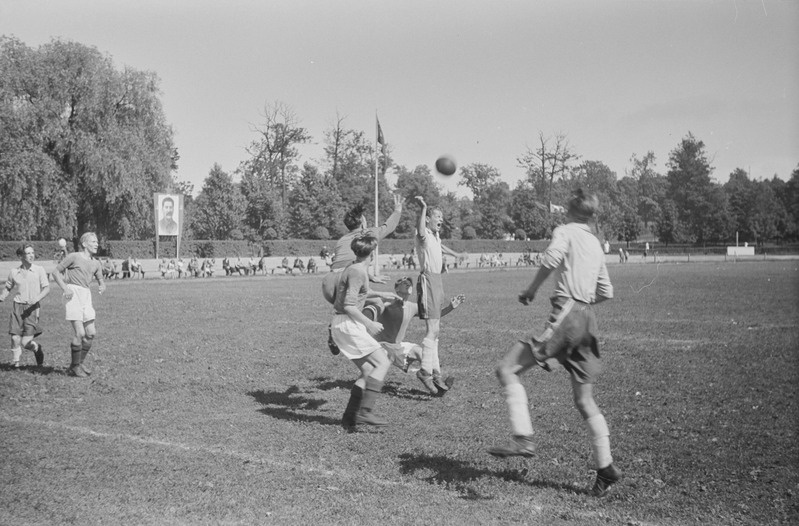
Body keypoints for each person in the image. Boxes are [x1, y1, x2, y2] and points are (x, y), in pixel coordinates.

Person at [487, 189, 621, 498]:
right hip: (587, 320)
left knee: (507, 370)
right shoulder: (595, 241)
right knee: (584, 400)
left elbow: (551, 257)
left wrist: (532, 289)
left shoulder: (565, 231)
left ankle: (523, 438)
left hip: (568, 316)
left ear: (570, 212)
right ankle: (606, 468)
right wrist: (582, 302)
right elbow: (607, 292)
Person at [330, 235, 392, 431]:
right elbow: (349, 305)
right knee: (383, 362)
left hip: (342, 323)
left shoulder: (354, 267)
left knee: (368, 370)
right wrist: (369, 324)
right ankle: (365, 412)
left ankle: (349, 418)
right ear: (371, 254)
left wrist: (382, 294)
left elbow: (357, 295)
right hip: (348, 322)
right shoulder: (358, 272)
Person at [413, 196, 467, 395]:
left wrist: (455, 255)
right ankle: (425, 371)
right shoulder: (423, 233)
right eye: (437, 216)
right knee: (432, 330)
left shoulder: (436, 236)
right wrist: (424, 208)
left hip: (437, 281)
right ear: (427, 219)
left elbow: (441, 247)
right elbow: (420, 231)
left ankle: (435, 372)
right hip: (427, 280)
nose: (441, 219)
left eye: (441, 217)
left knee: (436, 331)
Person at [363, 277, 465, 382]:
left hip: (397, 346)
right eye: (404, 283)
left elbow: (433, 315)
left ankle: (436, 381)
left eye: (410, 283)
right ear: (396, 288)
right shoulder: (388, 301)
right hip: (382, 346)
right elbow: (364, 299)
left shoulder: (412, 307)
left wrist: (450, 307)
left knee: (422, 353)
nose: (408, 284)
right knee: (370, 374)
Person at [51, 232, 106, 378]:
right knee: (80, 333)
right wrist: (65, 288)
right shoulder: (74, 257)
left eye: (97, 242)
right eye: (93, 242)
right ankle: (75, 367)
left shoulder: (96, 263)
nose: (96, 244)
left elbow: (100, 279)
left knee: (91, 333)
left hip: (86, 295)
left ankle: (77, 364)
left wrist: (102, 285)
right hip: (73, 294)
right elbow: (55, 273)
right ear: (84, 244)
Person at [0, 245, 49, 368]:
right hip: (17, 306)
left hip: (32, 309)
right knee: (15, 338)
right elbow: (8, 287)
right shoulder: (14, 272)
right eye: (28, 253)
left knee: (25, 342)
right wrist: (2, 296)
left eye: (33, 252)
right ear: (20, 256)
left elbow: (46, 288)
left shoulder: (39, 270)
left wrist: (36, 299)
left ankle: (37, 348)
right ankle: (16, 364)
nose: (32, 255)